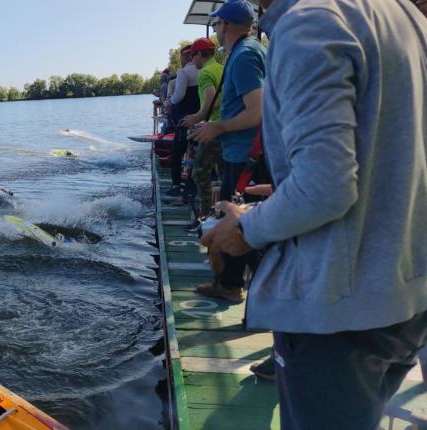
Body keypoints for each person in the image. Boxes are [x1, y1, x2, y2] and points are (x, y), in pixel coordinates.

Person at [202, 0, 427, 428]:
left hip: (339, 312)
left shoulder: (309, 24)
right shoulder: (406, 16)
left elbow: (326, 189)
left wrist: (247, 227)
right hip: (405, 295)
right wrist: (284, 194)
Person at [189, 0, 266, 303]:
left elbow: (257, 111)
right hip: (243, 152)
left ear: (224, 25)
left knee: (242, 226)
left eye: (217, 24)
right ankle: (231, 284)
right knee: (232, 220)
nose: (217, 30)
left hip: (248, 156)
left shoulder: (246, 54)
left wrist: (218, 128)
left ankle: (253, 293)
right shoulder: (245, 52)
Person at [181, 37, 224, 217]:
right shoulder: (221, 68)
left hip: (214, 129)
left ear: (200, 54)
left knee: (199, 172)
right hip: (227, 127)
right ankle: (223, 211)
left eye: (192, 55)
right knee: (223, 174)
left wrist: (197, 118)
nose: (191, 60)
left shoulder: (205, 73)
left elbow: (211, 100)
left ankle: (204, 215)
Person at [166, 45, 200, 196]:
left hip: (185, 118)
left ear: (186, 57)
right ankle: (192, 186)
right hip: (202, 117)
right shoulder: (207, 70)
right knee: (195, 152)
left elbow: (178, 95)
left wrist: (169, 103)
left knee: (177, 153)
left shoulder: (184, 72)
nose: (180, 61)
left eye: (181, 57)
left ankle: (176, 186)